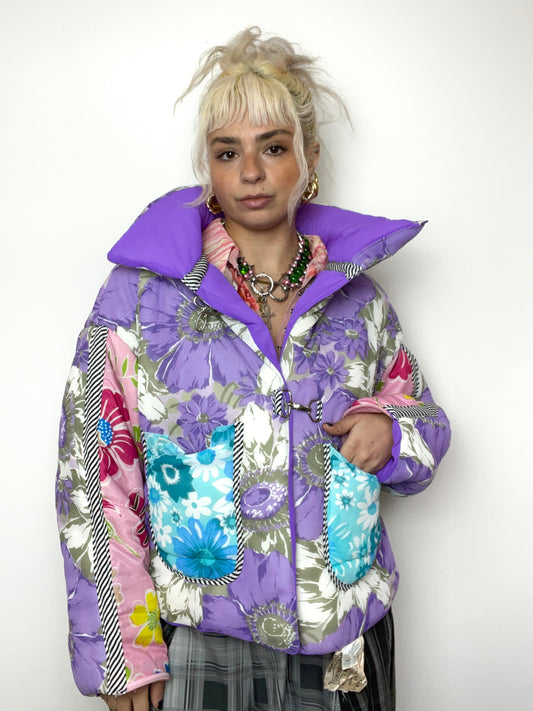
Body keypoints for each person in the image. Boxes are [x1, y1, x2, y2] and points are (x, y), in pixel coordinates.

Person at [56, 27, 451, 711]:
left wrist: (392, 430)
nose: (250, 172)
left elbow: (425, 422)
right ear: (207, 168)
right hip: (200, 642)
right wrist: (125, 654)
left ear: (309, 159)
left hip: (346, 639)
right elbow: (93, 475)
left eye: (272, 147)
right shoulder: (138, 300)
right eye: (226, 152)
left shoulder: (359, 303)